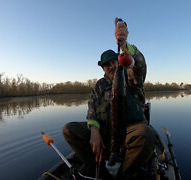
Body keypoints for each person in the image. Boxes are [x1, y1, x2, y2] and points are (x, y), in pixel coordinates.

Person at [63, 18, 157, 179]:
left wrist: (124, 45)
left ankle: (124, 174)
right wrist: (94, 129)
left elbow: (140, 64)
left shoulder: (131, 77)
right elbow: (91, 108)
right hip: (105, 132)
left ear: (119, 61)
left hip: (130, 132)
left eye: (114, 62)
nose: (112, 66)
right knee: (69, 130)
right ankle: (96, 168)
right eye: (108, 65)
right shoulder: (99, 85)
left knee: (147, 135)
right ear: (103, 68)